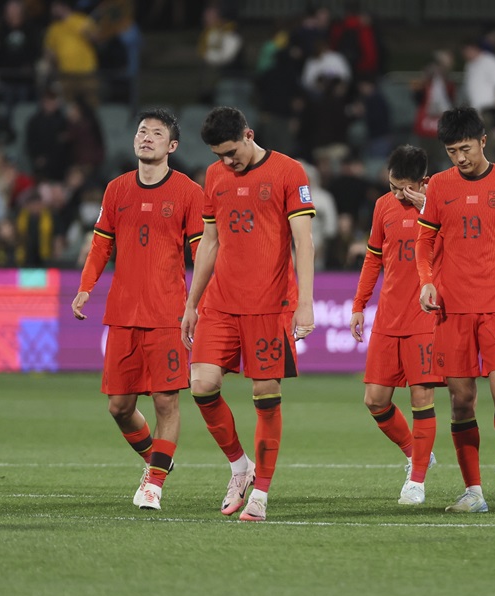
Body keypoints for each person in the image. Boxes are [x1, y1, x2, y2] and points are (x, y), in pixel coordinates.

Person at [181, 106, 316, 522]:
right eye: (219, 154)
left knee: (265, 395)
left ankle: (262, 493)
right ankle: (241, 468)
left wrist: (306, 303)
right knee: (201, 385)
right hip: (220, 302)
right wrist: (191, 302)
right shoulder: (215, 176)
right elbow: (209, 242)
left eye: (231, 152)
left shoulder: (290, 172)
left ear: (249, 134)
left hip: (269, 304)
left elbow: (303, 243)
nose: (227, 161)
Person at [71, 109, 204, 511]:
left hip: (167, 313)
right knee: (119, 407)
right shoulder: (115, 190)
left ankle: (155, 484)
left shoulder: (188, 193)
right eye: (142, 131)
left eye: (156, 133)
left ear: (172, 146)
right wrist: (84, 288)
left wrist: (199, 304)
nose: (146, 137)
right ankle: (157, 460)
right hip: (123, 312)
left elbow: (202, 253)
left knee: (166, 402)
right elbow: (101, 246)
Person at [416, 106, 495, 513]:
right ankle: (473, 490)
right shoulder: (438, 187)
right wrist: (427, 279)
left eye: (465, 148)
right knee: (461, 400)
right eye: (452, 151)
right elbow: (423, 243)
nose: (460, 158)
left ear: (483, 141)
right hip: (453, 310)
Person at [349, 145, 441, 505]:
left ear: (423, 182)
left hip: (426, 313)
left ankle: (416, 482)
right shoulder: (382, 207)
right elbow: (373, 258)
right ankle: (415, 453)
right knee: (375, 400)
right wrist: (359, 305)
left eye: (405, 188)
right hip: (388, 316)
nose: (398, 194)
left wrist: (427, 209)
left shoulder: (441, 204)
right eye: (392, 187)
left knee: (422, 398)